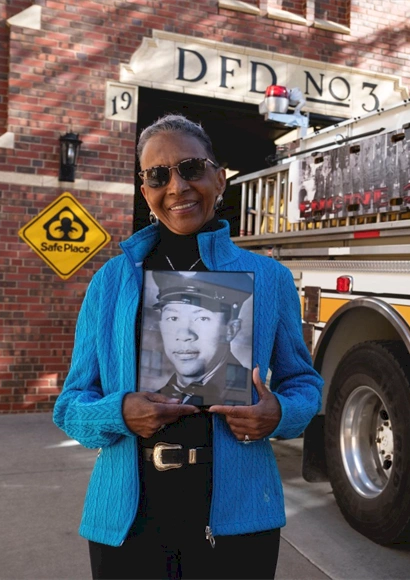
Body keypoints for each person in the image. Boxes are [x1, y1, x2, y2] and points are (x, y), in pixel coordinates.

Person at [53, 113, 323, 579]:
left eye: (191, 169)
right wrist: (118, 413)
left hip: (238, 522)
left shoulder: (270, 279)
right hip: (128, 523)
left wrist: (279, 414)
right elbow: (70, 406)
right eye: (158, 176)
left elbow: (304, 383)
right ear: (145, 192)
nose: (176, 187)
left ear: (219, 178)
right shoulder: (112, 283)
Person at [149, 271, 250, 407]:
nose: (184, 335)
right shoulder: (155, 397)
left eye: (202, 319)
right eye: (173, 318)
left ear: (230, 330)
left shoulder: (248, 392)